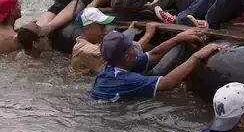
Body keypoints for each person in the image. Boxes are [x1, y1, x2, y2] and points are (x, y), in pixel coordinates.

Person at [89, 27, 217, 101]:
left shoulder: (116, 64)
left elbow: (153, 55)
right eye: (131, 46)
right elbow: (167, 84)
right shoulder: (125, 79)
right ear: (127, 56)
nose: (135, 45)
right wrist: (197, 56)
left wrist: (178, 38)